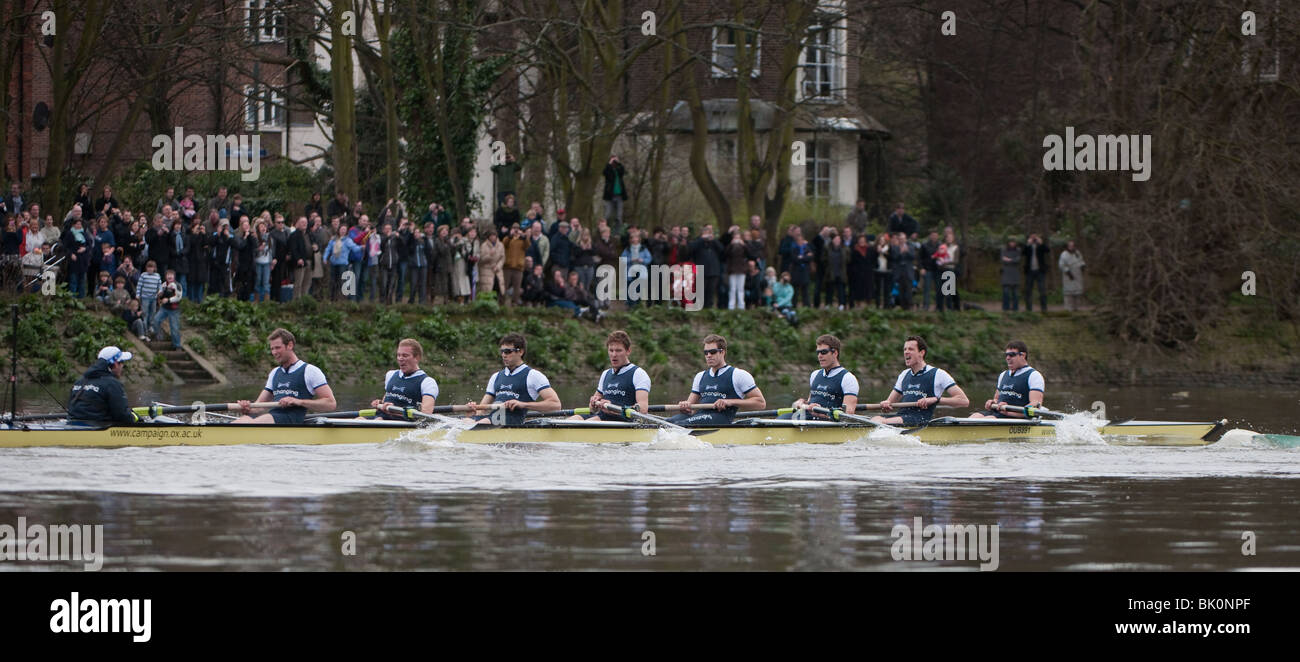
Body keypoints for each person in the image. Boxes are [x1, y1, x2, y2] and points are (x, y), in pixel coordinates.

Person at [233, 328, 337, 424]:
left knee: (254, 422)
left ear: (290, 345)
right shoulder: (275, 373)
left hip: (291, 420)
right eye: (272, 349)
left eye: (278, 348)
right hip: (273, 417)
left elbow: (330, 403)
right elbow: (259, 405)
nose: (274, 352)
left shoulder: (310, 371)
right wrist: (247, 407)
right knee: (242, 420)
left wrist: (298, 401)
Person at [465, 333, 561, 425]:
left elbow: (555, 405)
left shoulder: (533, 376)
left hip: (512, 422)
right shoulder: (496, 376)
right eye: (502, 351)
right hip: (492, 420)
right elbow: (482, 410)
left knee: (482, 422)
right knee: (466, 421)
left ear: (520, 351)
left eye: (508, 351)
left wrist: (523, 404)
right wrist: (473, 413)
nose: (503, 355)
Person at [669, 334, 765, 425]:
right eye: (706, 353)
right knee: (667, 423)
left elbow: (760, 403)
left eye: (713, 352)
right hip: (699, 417)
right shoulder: (700, 376)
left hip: (721, 418)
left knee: (682, 424)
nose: (708, 355)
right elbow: (691, 410)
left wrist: (730, 402)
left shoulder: (738, 375)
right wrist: (685, 406)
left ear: (722, 352)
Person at [873, 336, 970, 426]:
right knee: (875, 419)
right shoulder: (904, 374)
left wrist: (936, 399)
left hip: (920, 420)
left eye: (911, 349)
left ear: (921, 353)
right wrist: (885, 404)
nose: (906, 352)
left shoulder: (938, 374)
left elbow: (964, 401)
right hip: (900, 417)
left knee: (882, 422)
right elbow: (889, 404)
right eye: (905, 349)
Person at [578, 331, 651, 421]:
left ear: (628, 351)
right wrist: (593, 403)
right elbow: (592, 409)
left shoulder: (638, 373)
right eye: (611, 350)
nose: (614, 355)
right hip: (603, 417)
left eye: (618, 350)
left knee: (588, 422)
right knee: (573, 419)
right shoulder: (605, 374)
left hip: (624, 421)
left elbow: (643, 409)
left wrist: (614, 409)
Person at [785, 335, 859, 420]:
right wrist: (803, 403)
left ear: (835, 353)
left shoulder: (848, 378)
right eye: (818, 352)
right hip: (808, 418)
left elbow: (848, 415)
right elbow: (811, 401)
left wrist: (820, 414)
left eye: (823, 352)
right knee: (782, 417)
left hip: (827, 423)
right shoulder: (815, 374)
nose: (819, 356)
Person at [969, 340, 1044, 419]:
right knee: (974, 417)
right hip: (998, 414)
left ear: (1023, 355)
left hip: (1016, 419)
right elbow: (996, 398)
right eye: (1006, 355)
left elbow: (1035, 406)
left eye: (1012, 355)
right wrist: (993, 402)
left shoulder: (1034, 376)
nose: (1008, 358)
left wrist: (1009, 412)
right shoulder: (1003, 375)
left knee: (987, 420)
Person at [66, 347, 138, 425]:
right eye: (122, 362)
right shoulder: (112, 384)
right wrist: (136, 418)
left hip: (72, 425)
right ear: (116, 364)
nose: (122, 366)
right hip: (98, 429)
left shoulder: (79, 381)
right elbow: (122, 416)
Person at [370, 339, 439, 420]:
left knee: (378, 420)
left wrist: (396, 412)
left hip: (402, 422)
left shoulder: (427, 382)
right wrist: (380, 403)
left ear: (417, 358)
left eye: (405, 355)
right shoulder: (390, 375)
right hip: (382, 417)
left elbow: (425, 416)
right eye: (398, 355)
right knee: (359, 419)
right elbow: (387, 401)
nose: (400, 359)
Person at [152, 269, 184, 350]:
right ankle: (160, 336)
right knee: (156, 320)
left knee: (174, 328)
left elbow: (178, 297)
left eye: (171, 275)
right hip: (164, 308)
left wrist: (168, 300)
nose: (169, 276)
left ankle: (177, 345)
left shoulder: (177, 285)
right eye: (168, 275)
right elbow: (159, 293)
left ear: (174, 276)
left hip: (174, 309)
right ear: (165, 276)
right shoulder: (164, 284)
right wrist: (159, 295)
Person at [1023, 233, 1050, 312]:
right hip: (1029, 271)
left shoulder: (1040, 246)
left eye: (1035, 237)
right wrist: (1028, 243)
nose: (1034, 238)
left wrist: (1041, 243)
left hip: (1040, 271)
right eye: (1032, 237)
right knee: (1028, 290)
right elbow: (1023, 253)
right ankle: (1028, 309)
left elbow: (1047, 250)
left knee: (1042, 290)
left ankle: (1044, 308)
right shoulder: (1028, 246)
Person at [1058, 240, 1086, 311]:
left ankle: (1076, 307)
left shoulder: (1077, 253)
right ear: (1067, 247)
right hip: (1068, 275)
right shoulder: (1064, 254)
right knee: (1068, 293)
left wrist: (1082, 266)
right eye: (1070, 246)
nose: (1071, 247)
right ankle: (1068, 309)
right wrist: (1068, 272)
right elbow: (1061, 265)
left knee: (1077, 292)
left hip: (1077, 274)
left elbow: (1081, 260)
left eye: (1073, 246)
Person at [602, 154, 628, 225]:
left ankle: (618, 231)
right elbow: (604, 172)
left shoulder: (619, 169)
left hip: (619, 196)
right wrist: (609, 163)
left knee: (619, 215)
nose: (614, 162)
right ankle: (604, 228)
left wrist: (618, 162)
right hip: (610, 196)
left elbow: (623, 171)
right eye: (613, 160)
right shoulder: (608, 169)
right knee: (607, 214)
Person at [1000, 238, 1022, 312]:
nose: (1012, 243)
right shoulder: (1004, 249)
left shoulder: (1018, 250)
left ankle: (1015, 308)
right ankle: (1005, 308)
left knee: (1015, 293)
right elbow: (1003, 259)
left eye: (1013, 242)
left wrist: (1010, 260)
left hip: (1015, 273)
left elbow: (1018, 259)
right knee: (1005, 292)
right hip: (1006, 272)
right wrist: (1012, 260)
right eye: (1011, 242)